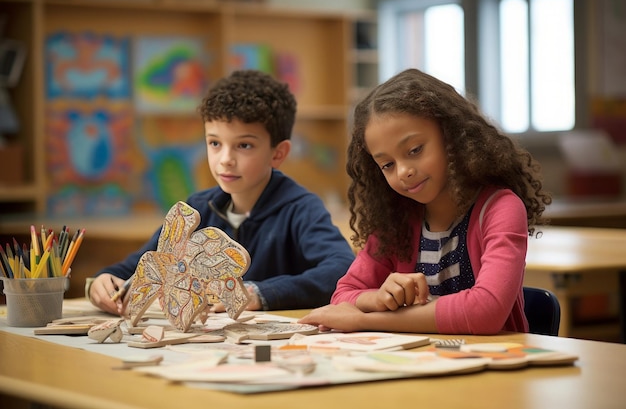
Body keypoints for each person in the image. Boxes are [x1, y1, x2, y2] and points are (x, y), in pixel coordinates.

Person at [299, 68, 552, 335]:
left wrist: (365, 319)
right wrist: (378, 298)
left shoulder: (500, 208)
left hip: (493, 366)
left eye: (415, 150)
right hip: (419, 366)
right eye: (387, 164)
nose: (403, 171)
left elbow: (485, 312)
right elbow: (344, 295)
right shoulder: (397, 221)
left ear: (452, 136)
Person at [88, 69, 355, 315]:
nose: (225, 159)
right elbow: (143, 265)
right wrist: (103, 281)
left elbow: (341, 269)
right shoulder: (197, 209)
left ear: (278, 153)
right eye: (215, 143)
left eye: (244, 146)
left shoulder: (301, 208)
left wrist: (261, 294)